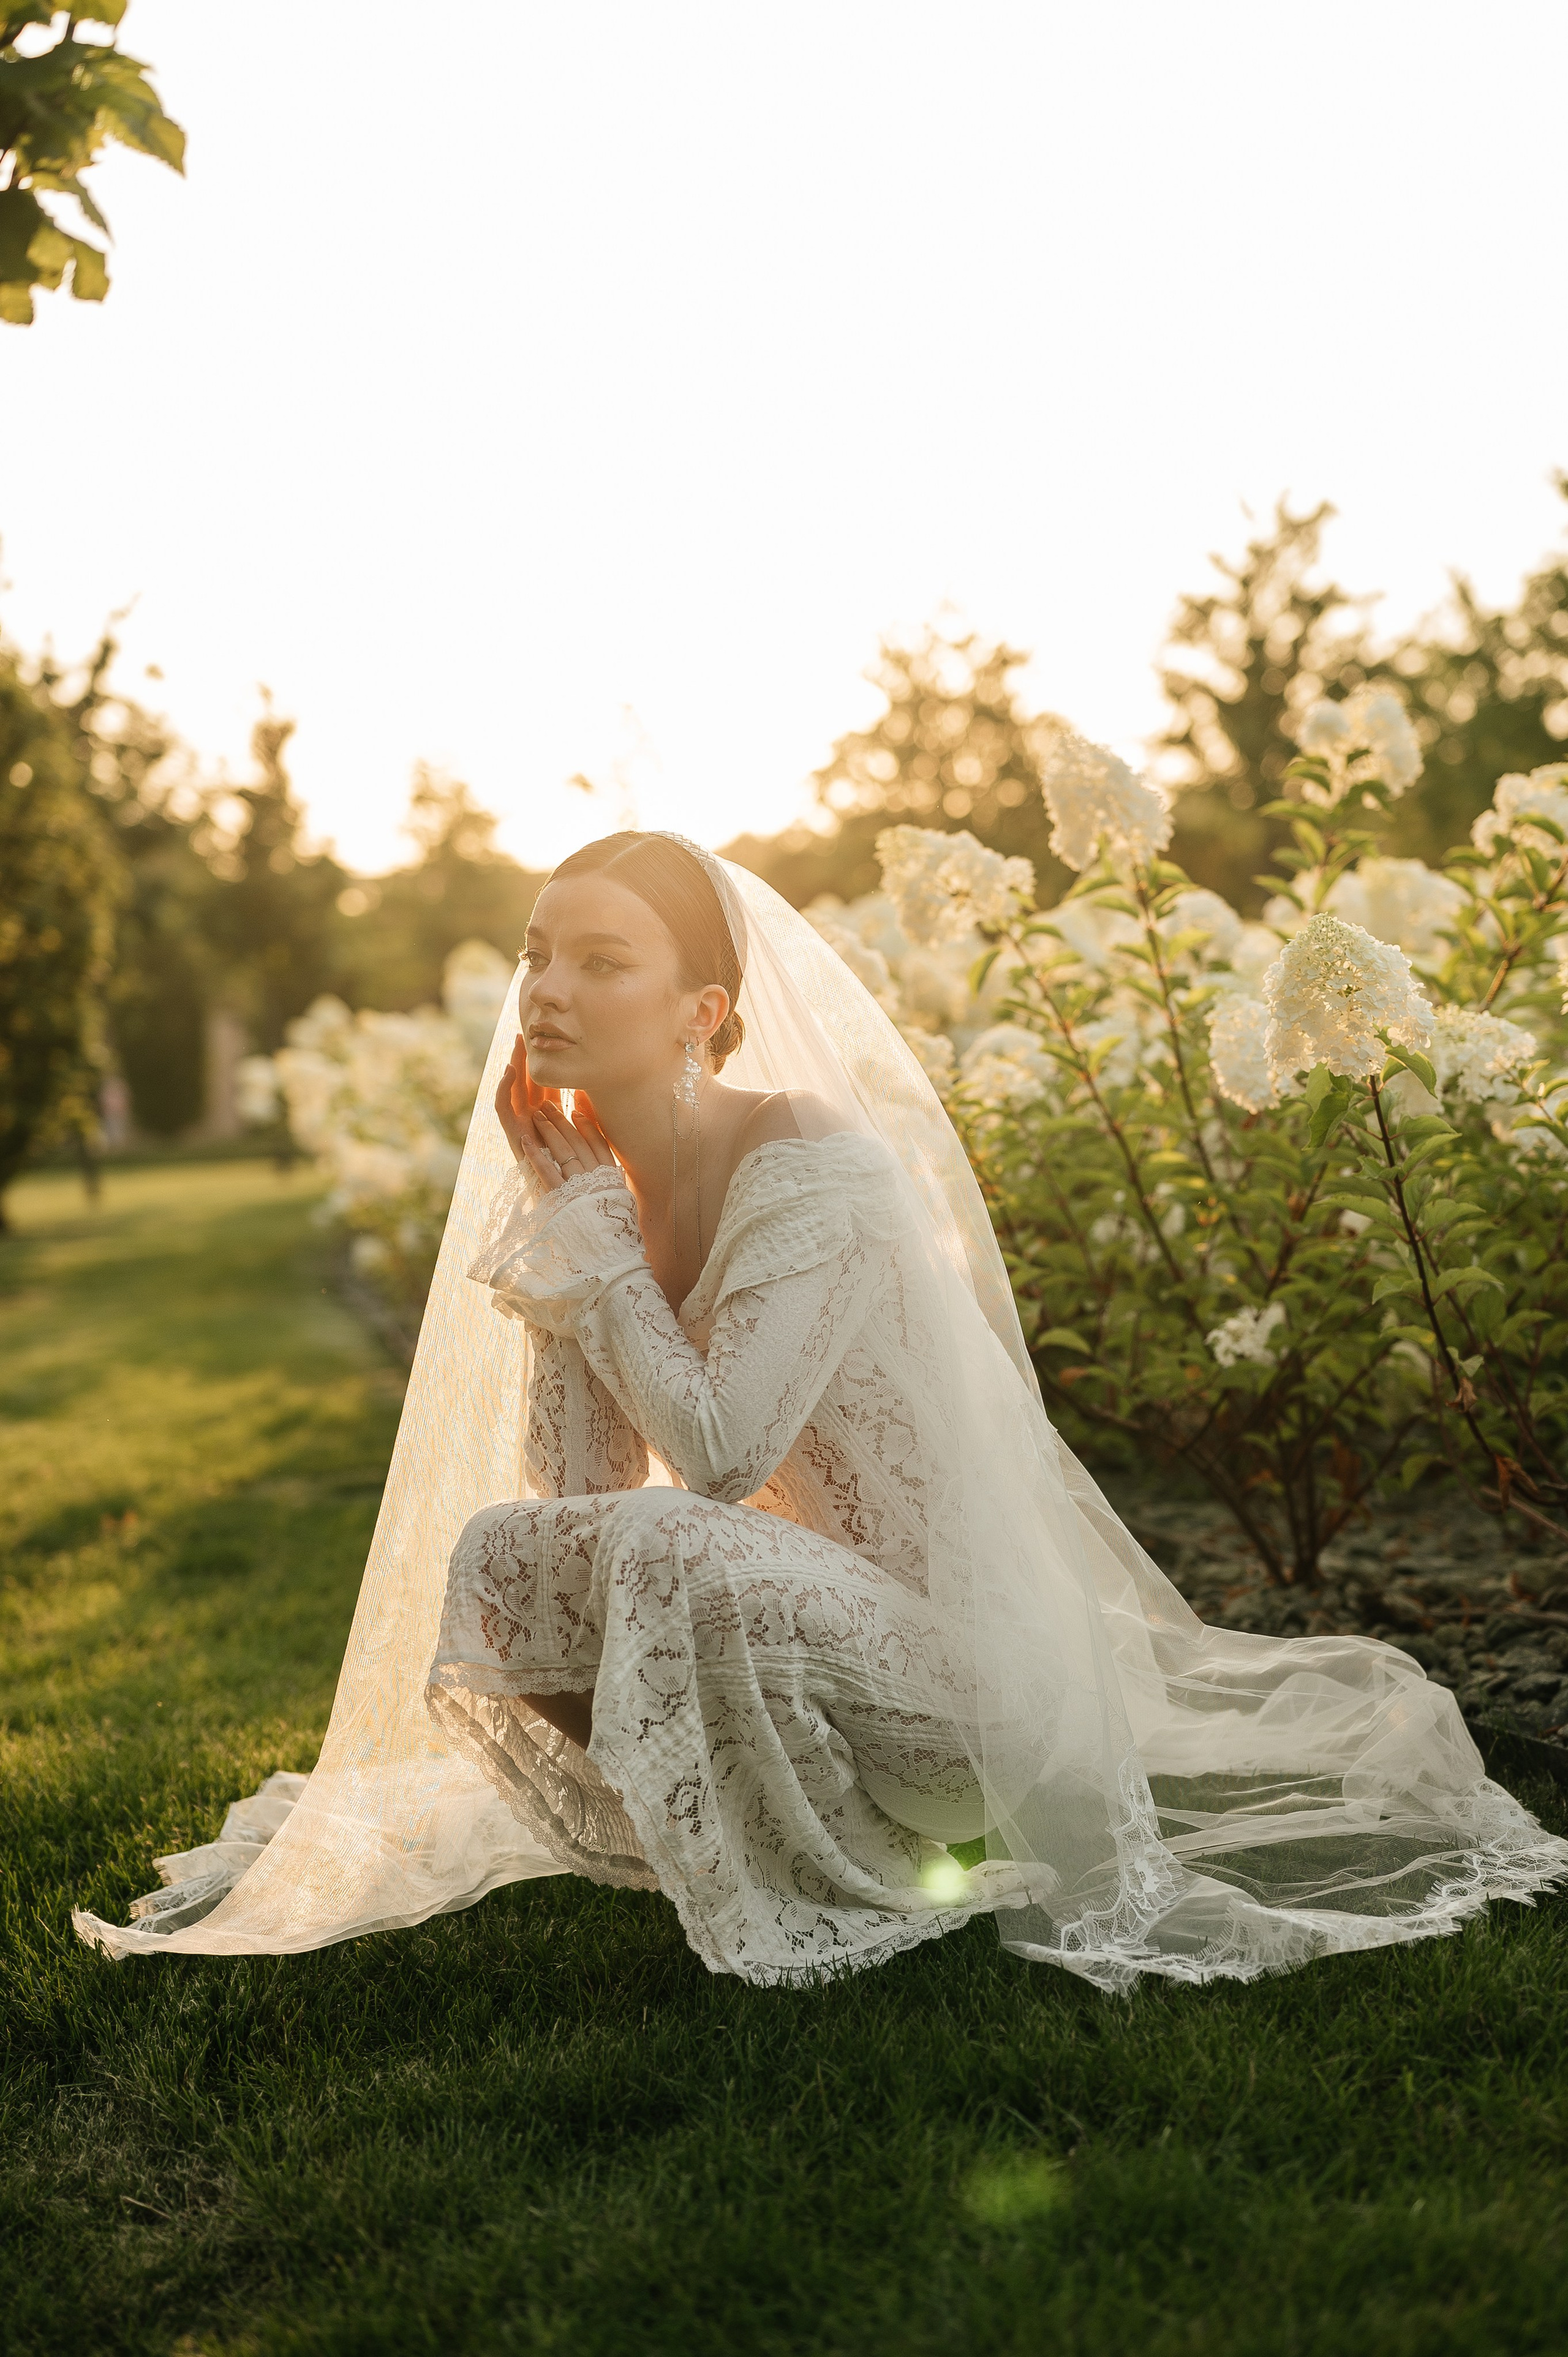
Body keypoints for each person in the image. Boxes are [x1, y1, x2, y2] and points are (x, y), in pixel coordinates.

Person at [77, 834, 1568, 1989]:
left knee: (666, 1541)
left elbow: (719, 1456)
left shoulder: (811, 1164)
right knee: (499, 1553)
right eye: (536, 955)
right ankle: (738, 1831)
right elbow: (574, 1493)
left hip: (970, 1699)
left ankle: (857, 1864)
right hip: (805, 1642)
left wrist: (599, 1263)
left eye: (599, 961)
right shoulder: (594, 1190)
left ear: (703, 1012)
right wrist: (576, 1234)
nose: (546, 991)